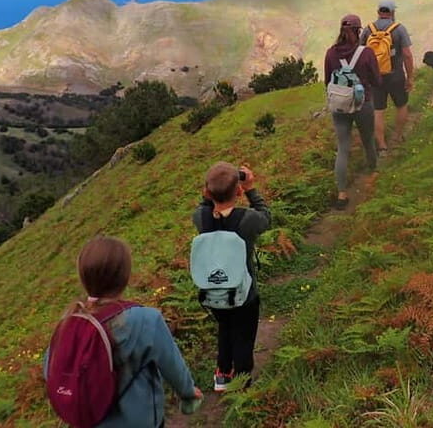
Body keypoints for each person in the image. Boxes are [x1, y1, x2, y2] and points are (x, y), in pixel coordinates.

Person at [46, 236, 202, 428]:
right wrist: (188, 393)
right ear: (125, 276)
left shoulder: (67, 324)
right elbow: (172, 366)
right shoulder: (146, 319)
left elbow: (52, 372)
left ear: (82, 276)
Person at [192, 162, 271, 391]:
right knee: (244, 337)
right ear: (238, 191)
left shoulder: (201, 217)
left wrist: (211, 191)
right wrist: (251, 189)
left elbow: (204, 204)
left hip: (212, 291)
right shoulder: (247, 219)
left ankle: (223, 375)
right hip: (244, 293)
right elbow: (266, 217)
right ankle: (242, 383)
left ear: (206, 192)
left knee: (225, 328)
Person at [324, 14, 381, 209]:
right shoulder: (366, 53)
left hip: (339, 106)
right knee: (368, 139)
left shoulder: (331, 53)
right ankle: (372, 172)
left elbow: (327, 81)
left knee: (343, 148)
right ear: (358, 31)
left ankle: (341, 194)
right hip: (362, 104)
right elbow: (376, 80)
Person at [360, 0, 414, 155]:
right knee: (401, 105)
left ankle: (382, 145)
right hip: (396, 76)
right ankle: (397, 137)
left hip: (374, 77)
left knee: (378, 110)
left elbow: (361, 53)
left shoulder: (368, 30)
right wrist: (410, 77)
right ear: (392, 13)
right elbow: (407, 55)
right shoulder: (399, 29)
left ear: (378, 12)